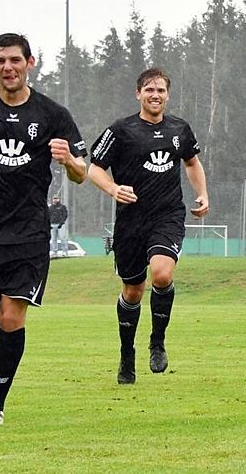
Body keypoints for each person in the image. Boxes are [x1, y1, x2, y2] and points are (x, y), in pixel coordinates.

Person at [0, 33, 88, 426]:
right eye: (0, 60)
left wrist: (68, 161)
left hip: (28, 235)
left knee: (12, 319)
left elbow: (82, 172)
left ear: (30, 62)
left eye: (15, 60)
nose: (8, 67)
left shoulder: (53, 114)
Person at [88, 67, 209, 385]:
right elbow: (94, 169)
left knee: (162, 273)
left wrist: (202, 193)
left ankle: (157, 342)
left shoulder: (180, 129)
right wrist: (113, 189)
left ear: (167, 95)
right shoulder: (120, 130)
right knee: (132, 291)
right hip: (130, 222)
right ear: (138, 93)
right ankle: (126, 355)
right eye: (149, 90)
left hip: (167, 216)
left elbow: (192, 162)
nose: (155, 95)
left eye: (161, 90)